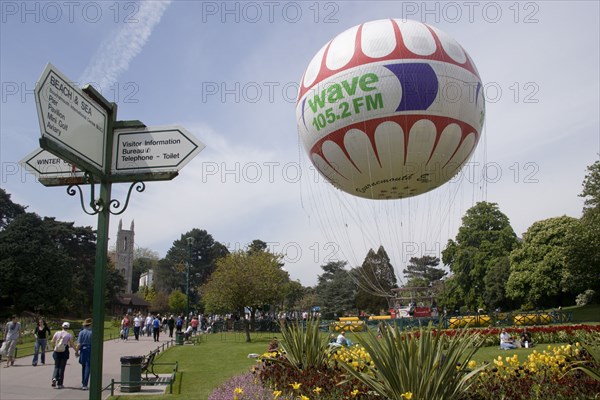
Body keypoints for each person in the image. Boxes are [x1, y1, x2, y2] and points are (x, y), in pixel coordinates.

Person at [51, 322, 74, 389]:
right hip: (64, 350)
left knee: (56, 365)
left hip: (57, 350)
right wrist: (76, 350)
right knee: (62, 367)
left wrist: (54, 348)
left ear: (62, 327)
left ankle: (54, 378)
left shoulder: (57, 333)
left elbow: (52, 341)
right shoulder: (69, 335)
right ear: (68, 328)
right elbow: (71, 344)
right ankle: (60, 383)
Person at [75, 318, 92, 390]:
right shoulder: (93, 332)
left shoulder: (82, 332)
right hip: (90, 349)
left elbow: (79, 343)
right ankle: (85, 383)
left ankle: (83, 382)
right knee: (88, 366)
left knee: (84, 366)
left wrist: (76, 351)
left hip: (83, 349)